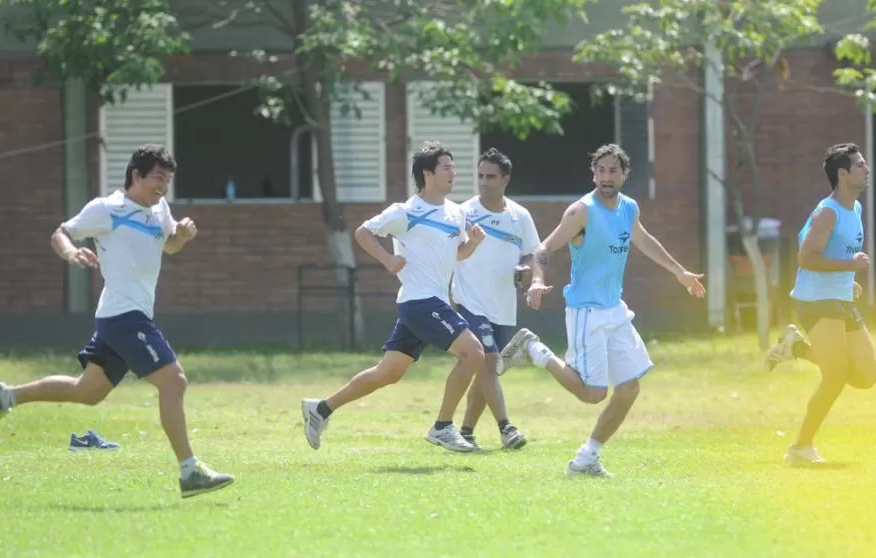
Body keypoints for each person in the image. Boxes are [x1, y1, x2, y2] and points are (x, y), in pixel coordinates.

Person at [0, 144, 234, 498]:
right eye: (158, 178)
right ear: (137, 175)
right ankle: (190, 471)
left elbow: (169, 245)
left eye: (168, 180)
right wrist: (71, 251)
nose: (163, 186)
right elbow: (60, 233)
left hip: (123, 315)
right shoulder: (107, 208)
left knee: (89, 391)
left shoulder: (160, 210)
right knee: (174, 382)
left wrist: (182, 236)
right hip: (124, 316)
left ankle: (4, 397)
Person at [497, 144, 706, 477]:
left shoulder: (629, 208)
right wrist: (536, 281)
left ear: (624, 174)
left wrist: (679, 272)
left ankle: (586, 459)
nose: (606, 177)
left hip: (615, 310)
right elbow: (543, 248)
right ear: (593, 173)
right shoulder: (581, 211)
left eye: (613, 171)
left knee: (629, 388)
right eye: (601, 170)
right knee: (593, 393)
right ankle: (532, 348)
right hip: (586, 312)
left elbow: (644, 239)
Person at [301, 141, 487, 453]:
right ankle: (443, 427)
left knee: (388, 373)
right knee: (474, 353)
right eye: (446, 167)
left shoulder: (456, 213)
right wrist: (388, 260)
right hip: (419, 301)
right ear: (428, 174)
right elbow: (363, 232)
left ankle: (320, 409)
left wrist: (475, 244)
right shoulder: (406, 212)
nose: (454, 172)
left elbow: (456, 255)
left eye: (454, 167)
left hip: (433, 302)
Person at [763, 142, 876, 465]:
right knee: (836, 376)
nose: (866, 170)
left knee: (867, 375)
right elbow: (806, 257)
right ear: (843, 175)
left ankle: (796, 347)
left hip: (839, 298)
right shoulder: (828, 212)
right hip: (815, 301)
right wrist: (849, 267)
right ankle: (800, 448)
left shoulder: (854, 209)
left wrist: (847, 278)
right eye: (860, 165)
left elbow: (835, 254)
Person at [452, 148, 539, 451]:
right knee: (488, 363)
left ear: (505, 180)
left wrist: (527, 270)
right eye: (480, 176)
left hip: (503, 306)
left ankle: (465, 431)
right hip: (470, 303)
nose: (484, 182)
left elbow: (532, 252)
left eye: (491, 177)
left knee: (486, 371)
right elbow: (449, 253)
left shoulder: (520, 216)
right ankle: (506, 428)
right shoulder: (463, 213)